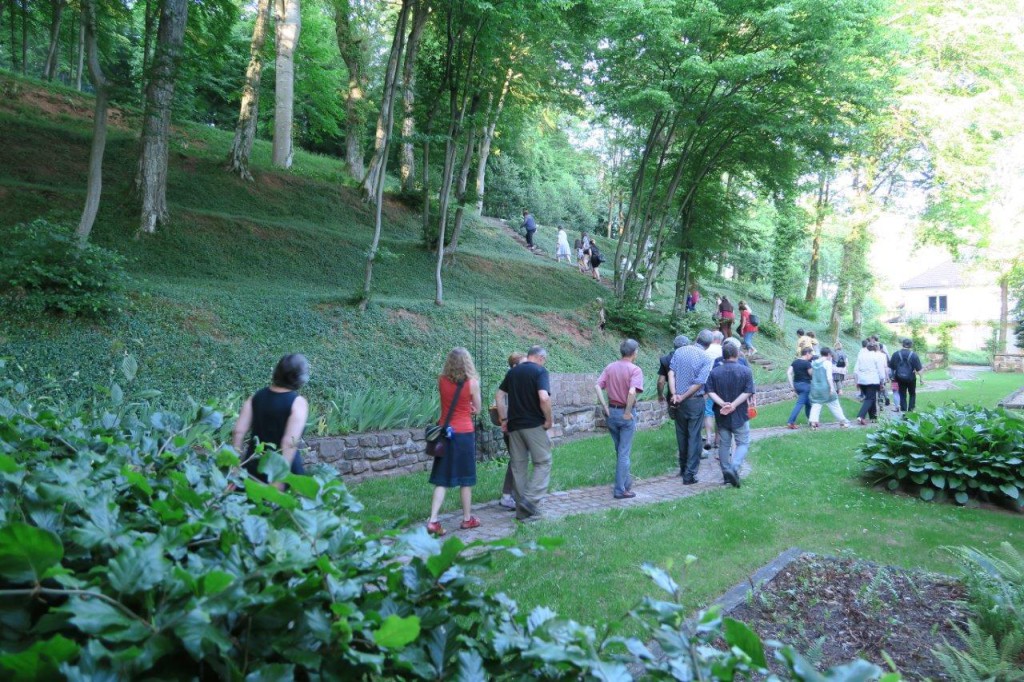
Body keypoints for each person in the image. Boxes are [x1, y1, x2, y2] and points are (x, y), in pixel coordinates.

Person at [425, 348, 483, 536]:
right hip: (464, 434)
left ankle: (433, 520)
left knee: (442, 478)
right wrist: (471, 407)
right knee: (465, 479)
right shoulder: (472, 383)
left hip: (445, 433)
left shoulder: (441, 381)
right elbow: (478, 408)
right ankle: (467, 519)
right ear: (467, 362)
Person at [233, 354, 311, 488]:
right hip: (284, 471)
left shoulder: (255, 397)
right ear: (299, 377)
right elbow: (288, 443)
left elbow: (238, 431)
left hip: (253, 467)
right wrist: (279, 480)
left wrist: (234, 467)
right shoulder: (298, 403)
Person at [495, 346, 553, 520]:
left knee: (518, 467)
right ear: (541, 358)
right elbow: (544, 397)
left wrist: (503, 419)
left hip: (514, 426)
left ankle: (522, 512)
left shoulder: (513, 372)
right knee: (543, 462)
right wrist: (549, 420)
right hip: (533, 425)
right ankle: (530, 500)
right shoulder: (540, 371)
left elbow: (499, 396)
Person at [595, 339, 645, 499]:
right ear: (634, 353)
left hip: (612, 413)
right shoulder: (635, 370)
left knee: (620, 451)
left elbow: (597, 385)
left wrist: (605, 407)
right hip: (625, 414)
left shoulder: (610, 367)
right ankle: (620, 490)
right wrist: (628, 412)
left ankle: (626, 483)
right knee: (624, 453)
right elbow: (632, 392)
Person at [706, 340, 754, 487]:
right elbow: (748, 392)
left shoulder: (714, 372)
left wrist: (722, 404)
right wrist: (733, 405)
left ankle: (727, 474)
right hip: (739, 414)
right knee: (743, 442)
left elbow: (709, 391)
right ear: (737, 354)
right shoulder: (745, 371)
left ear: (724, 355)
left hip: (721, 414)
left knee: (724, 445)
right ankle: (734, 467)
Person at [669, 330, 714, 485]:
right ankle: (689, 474)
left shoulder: (680, 351)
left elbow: (671, 373)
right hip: (694, 401)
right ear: (708, 345)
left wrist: (675, 394)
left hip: (678, 401)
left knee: (681, 435)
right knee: (694, 437)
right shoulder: (706, 358)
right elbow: (700, 382)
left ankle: (682, 468)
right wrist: (684, 396)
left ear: (696, 338)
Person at [497, 352, 527, 510]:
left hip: (517, 424)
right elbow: (499, 396)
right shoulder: (513, 376)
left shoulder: (516, 377)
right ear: (515, 366)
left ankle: (510, 495)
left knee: (517, 459)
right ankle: (509, 496)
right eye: (524, 364)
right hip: (513, 425)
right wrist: (504, 420)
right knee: (517, 460)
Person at [808, 348, 850, 429]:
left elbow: (812, 374)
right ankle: (843, 421)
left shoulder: (814, 363)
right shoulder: (827, 363)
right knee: (834, 404)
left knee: (816, 404)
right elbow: (829, 377)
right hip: (826, 387)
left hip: (816, 387)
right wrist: (831, 388)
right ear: (828, 355)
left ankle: (813, 423)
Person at [854, 341, 889, 425]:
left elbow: (856, 370)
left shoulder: (861, 356)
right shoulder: (877, 356)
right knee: (869, 399)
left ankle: (873, 417)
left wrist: (857, 381)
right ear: (876, 348)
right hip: (872, 380)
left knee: (871, 398)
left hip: (862, 380)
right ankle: (861, 416)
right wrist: (882, 381)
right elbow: (881, 371)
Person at [703, 331, 725, 452]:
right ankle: (717, 439)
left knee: (708, 411)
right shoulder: (724, 350)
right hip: (722, 385)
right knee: (721, 411)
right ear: (720, 340)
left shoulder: (705, 350)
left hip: (708, 385)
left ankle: (708, 438)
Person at [889, 338, 924, 412]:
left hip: (899, 378)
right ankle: (910, 411)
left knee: (902, 394)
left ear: (902, 344)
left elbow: (891, 367)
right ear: (911, 345)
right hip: (911, 378)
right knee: (912, 394)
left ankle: (904, 412)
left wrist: (892, 377)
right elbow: (919, 369)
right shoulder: (914, 355)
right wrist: (921, 379)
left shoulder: (896, 354)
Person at [786, 347, 814, 429]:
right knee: (799, 404)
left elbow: (788, 373)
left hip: (797, 385)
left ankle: (811, 420)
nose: (812, 356)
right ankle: (790, 422)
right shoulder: (807, 363)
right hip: (805, 386)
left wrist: (792, 385)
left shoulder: (795, 362)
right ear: (807, 354)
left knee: (808, 403)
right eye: (811, 354)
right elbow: (812, 374)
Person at [657, 335, 690, 405]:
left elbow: (661, 382)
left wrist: (660, 395)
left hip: (672, 396)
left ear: (674, 345)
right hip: (690, 396)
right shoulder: (692, 358)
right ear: (686, 346)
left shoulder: (665, 359)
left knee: (674, 414)